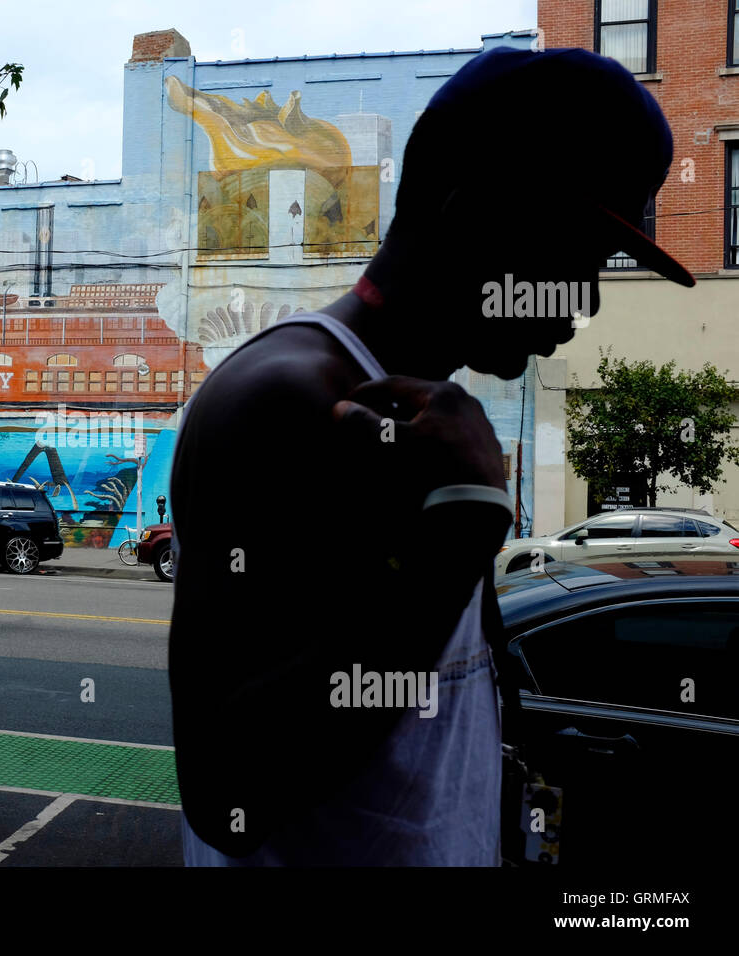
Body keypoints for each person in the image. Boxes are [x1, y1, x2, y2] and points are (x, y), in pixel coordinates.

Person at [167, 46, 696, 866]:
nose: (584, 302)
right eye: (579, 257)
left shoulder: (430, 422)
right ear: (475, 213)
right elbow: (226, 792)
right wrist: (449, 549)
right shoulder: (283, 400)